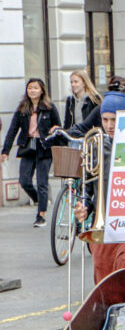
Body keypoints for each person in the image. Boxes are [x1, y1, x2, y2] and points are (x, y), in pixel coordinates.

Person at [72, 91, 125, 283]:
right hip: (105, 228)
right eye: (105, 120)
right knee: (105, 286)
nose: (109, 126)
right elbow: (88, 187)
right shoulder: (97, 145)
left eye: (115, 120)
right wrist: (84, 206)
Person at [2, 78, 61, 227]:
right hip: (28, 147)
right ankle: (39, 199)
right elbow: (12, 130)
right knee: (24, 181)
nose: (32, 91)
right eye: (29, 88)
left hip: (44, 148)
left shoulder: (49, 107)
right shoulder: (22, 108)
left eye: (35, 88)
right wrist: (5, 151)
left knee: (42, 182)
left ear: (42, 90)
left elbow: (58, 126)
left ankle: (41, 215)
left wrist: (56, 135)